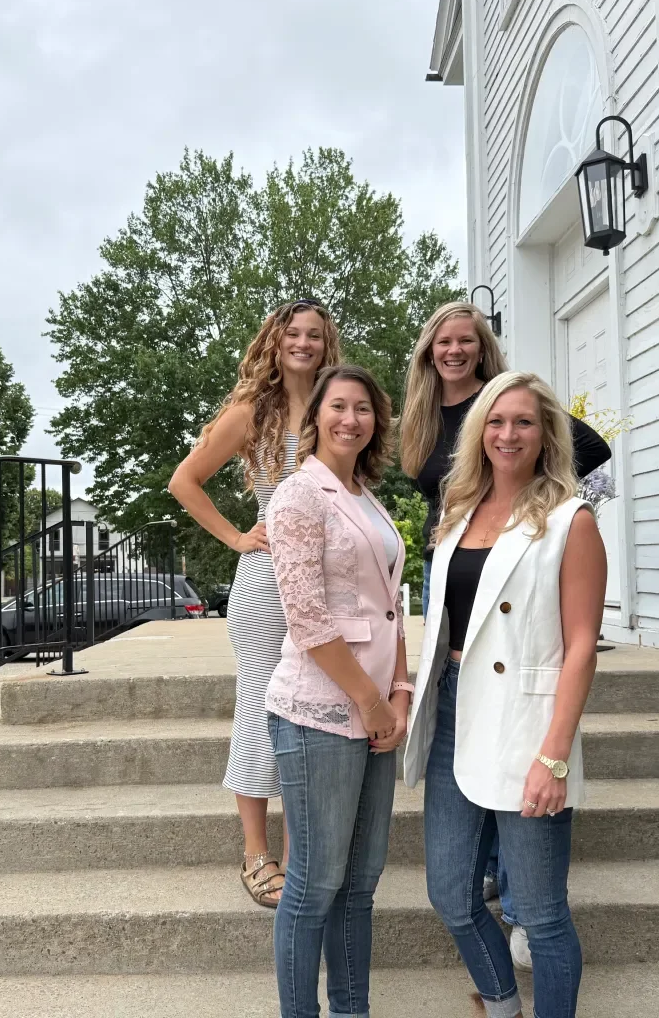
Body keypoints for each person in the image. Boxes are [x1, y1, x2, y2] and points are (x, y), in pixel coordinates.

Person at [399, 301, 611, 967]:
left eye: (466, 340)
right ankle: (498, 980)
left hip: (517, 561)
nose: (454, 350)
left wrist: (552, 529)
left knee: (543, 912)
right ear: (429, 353)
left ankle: (519, 907)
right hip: (456, 550)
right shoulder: (424, 420)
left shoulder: (512, 406)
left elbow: (592, 451)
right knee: (452, 883)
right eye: (443, 342)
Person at [168, 298, 341, 908]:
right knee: (260, 707)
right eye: (292, 333)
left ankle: (298, 851)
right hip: (267, 577)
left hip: (327, 576)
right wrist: (237, 536)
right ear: (275, 340)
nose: (303, 343)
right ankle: (254, 851)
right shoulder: (250, 411)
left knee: (311, 710)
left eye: (314, 335)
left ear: (327, 344)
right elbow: (183, 481)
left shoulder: (333, 405)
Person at [265, 364, 410, 1018]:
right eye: (339, 407)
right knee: (313, 885)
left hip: (377, 712)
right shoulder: (299, 496)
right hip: (319, 714)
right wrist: (371, 700)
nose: (351, 419)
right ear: (316, 417)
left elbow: (390, 608)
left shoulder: (365, 497)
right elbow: (307, 618)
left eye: (364, 409)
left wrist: (399, 692)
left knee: (360, 885)